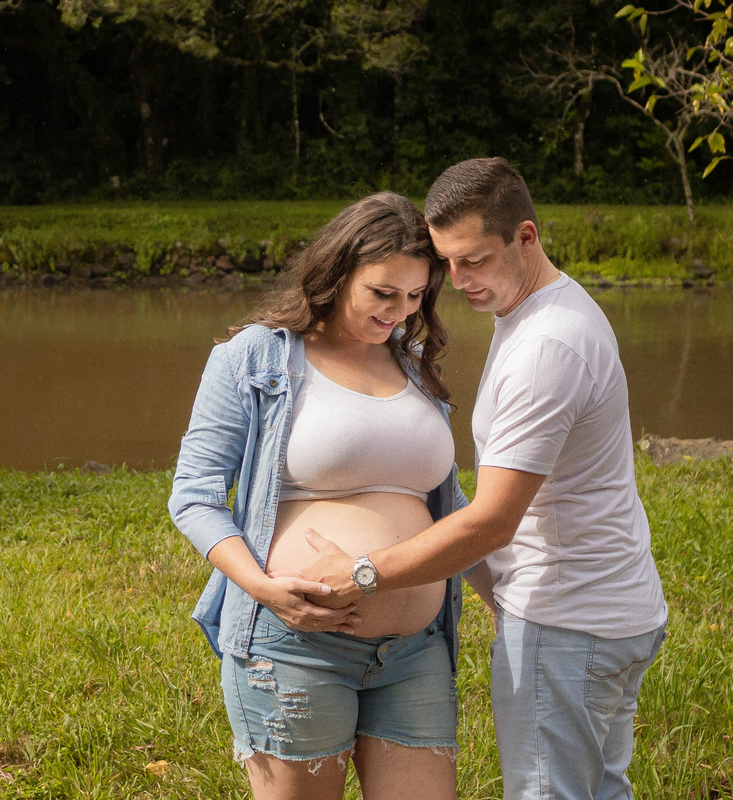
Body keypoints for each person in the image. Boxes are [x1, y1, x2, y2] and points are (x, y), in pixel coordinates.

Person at [282, 158, 668, 800]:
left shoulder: (549, 346)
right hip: (606, 608)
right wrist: (499, 595)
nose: (457, 281)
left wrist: (364, 572)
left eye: (474, 260)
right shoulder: (548, 309)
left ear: (525, 236)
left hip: (570, 620)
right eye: (447, 263)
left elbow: (493, 518)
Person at [169, 192, 484, 800]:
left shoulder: (415, 365)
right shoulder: (256, 357)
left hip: (415, 650)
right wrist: (262, 589)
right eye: (383, 293)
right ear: (338, 272)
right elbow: (194, 495)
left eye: (416, 296)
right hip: (296, 643)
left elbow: (447, 503)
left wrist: (500, 589)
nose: (399, 311)